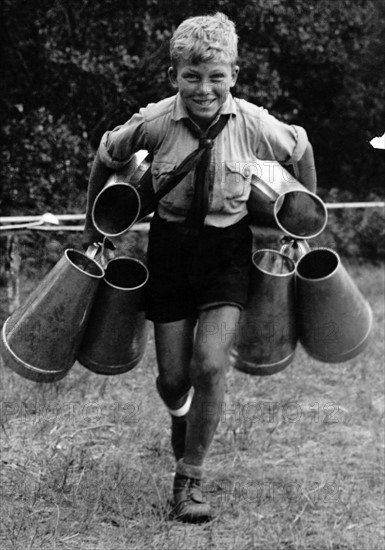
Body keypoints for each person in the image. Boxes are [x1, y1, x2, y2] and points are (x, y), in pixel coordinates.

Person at [82, 12, 317, 523]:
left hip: (227, 251)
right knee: (172, 378)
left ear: (234, 74)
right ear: (174, 77)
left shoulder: (255, 123)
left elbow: (300, 147)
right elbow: (105, 152)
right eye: (192, 76)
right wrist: (92, 228)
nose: (204, 88)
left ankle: (189, 480)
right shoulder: (155, 121)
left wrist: (301, 216)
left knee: (209, 363)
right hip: (168, 251)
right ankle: (182, 415)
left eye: (216, 76)